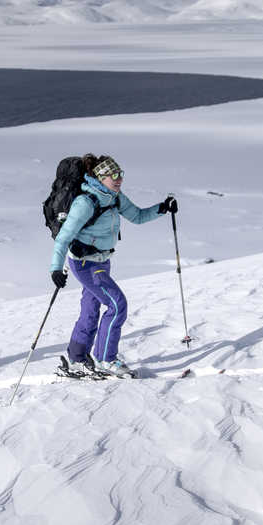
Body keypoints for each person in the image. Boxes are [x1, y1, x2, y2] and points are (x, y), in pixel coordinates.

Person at [48, 154, 176, 378]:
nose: (118, 179)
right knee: (117, 305)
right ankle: (107, 359)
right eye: (112, 175)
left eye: (120, 174)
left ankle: (77, 358)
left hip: (102, 261)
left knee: (91, 310)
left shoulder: (114, 197)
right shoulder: (85, 203)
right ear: (99, 177)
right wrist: (56, 269)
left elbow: (137, 216)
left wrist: (162, 208)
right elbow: (63, 238)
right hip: (85, 263)